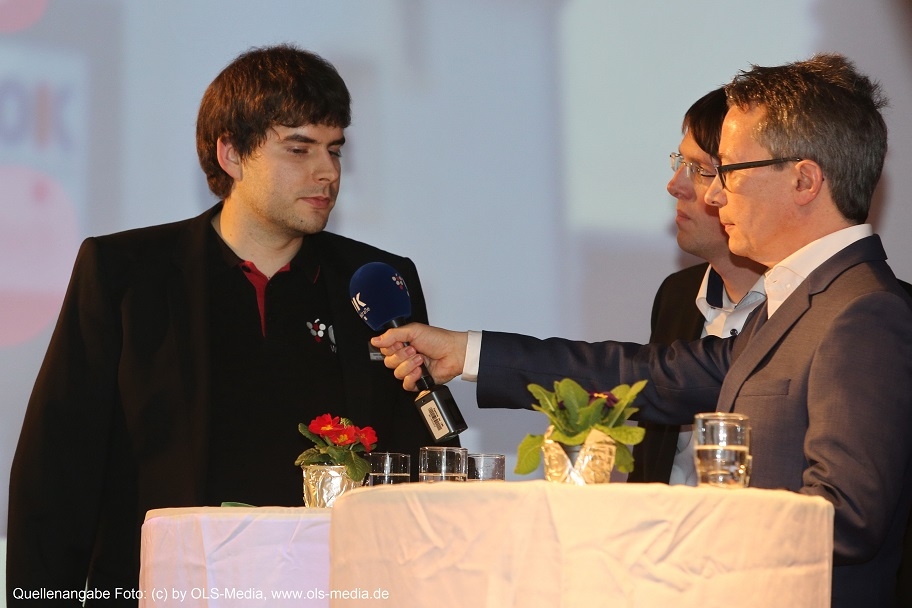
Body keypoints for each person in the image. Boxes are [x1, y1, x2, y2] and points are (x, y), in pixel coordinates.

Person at [375, 54, 912, 607]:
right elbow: (649, 377)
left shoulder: (862, 312)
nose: (714, 195)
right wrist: (466, 353)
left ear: (803, 179)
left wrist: (662, 526)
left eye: (730, 172)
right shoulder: (798, 304)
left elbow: (843, 519)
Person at [7, 44, 447, 604]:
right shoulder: (124, 274)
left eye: (334, 149)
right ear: (232, 153)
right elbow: (56, 476)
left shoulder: (376, 281)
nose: (328, 172)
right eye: (299, 148)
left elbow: (413, 471)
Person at [630, 87, 766, 485]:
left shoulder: (851, 307)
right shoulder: (676, 295)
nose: (675, 185)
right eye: (679, 162)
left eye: (700, 170)